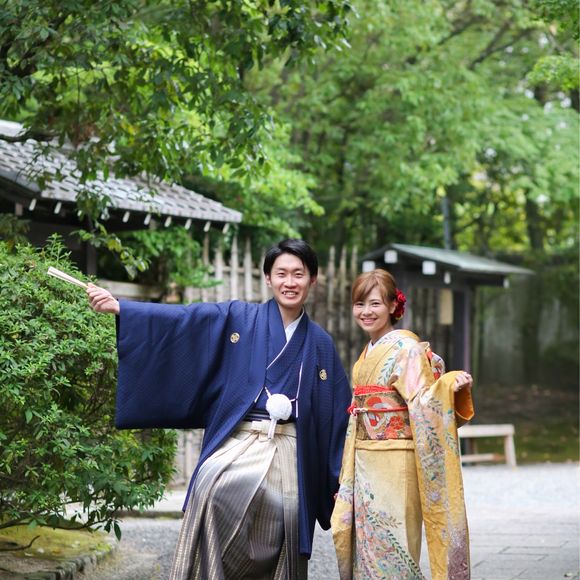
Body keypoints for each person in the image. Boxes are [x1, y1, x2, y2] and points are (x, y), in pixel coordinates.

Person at [87, 239, 351, 580]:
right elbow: (187, 320)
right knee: (210, 489)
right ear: (268, 278)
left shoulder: (320, 343)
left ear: (312, 279)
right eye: (281, 273)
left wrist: (344, 484)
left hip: (289, 447)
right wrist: (124, 309)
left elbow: (338, 416)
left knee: (288, 510)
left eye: (298, 274)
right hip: (240, 438)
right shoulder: (240, 318)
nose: (290, 282)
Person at [331, 269, 474, 580]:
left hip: (396, 462)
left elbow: (423, 400)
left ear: (393, 306)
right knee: (364, 545)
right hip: (364, 458)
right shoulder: (368, 353)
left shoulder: (406, 349)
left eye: (374, 304)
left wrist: (448, 386)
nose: (366, 312)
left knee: (395, 546)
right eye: (359, 304)